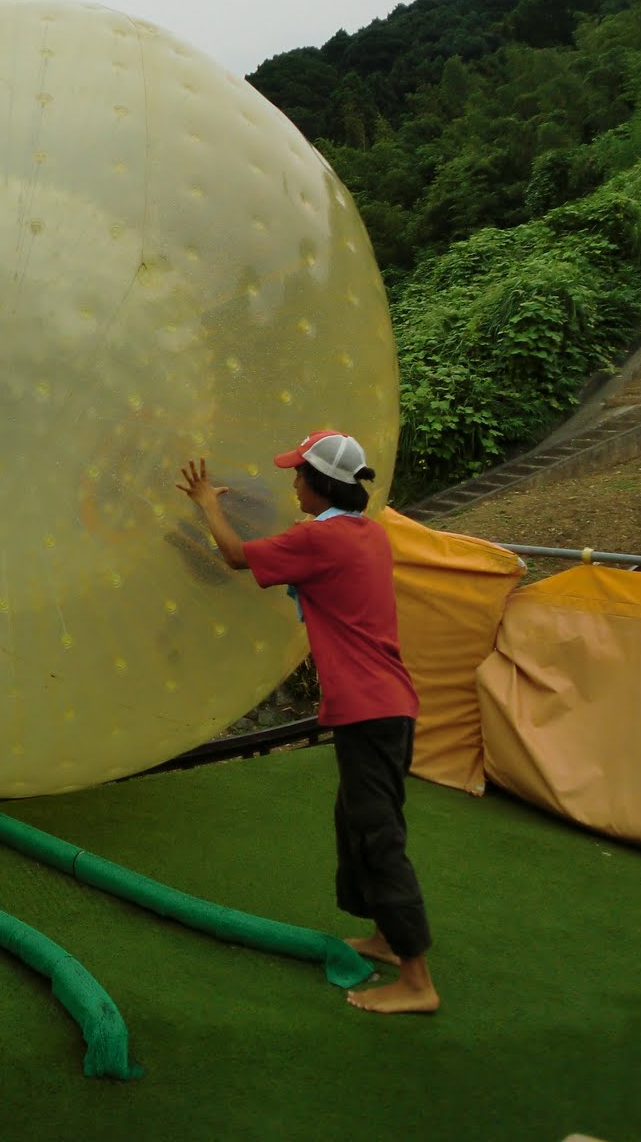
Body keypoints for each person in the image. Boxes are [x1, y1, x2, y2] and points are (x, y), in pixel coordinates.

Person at [176, 431, 439, 1015]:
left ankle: (418, 980)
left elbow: (235, 557)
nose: (291, 482)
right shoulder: (363, 534)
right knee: (357, 820)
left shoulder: (322, 541)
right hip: (383, 706)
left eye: (297, 474)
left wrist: (207, 504)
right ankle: (387, 941)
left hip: (371, 708)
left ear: (320, 484)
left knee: (377, 835)